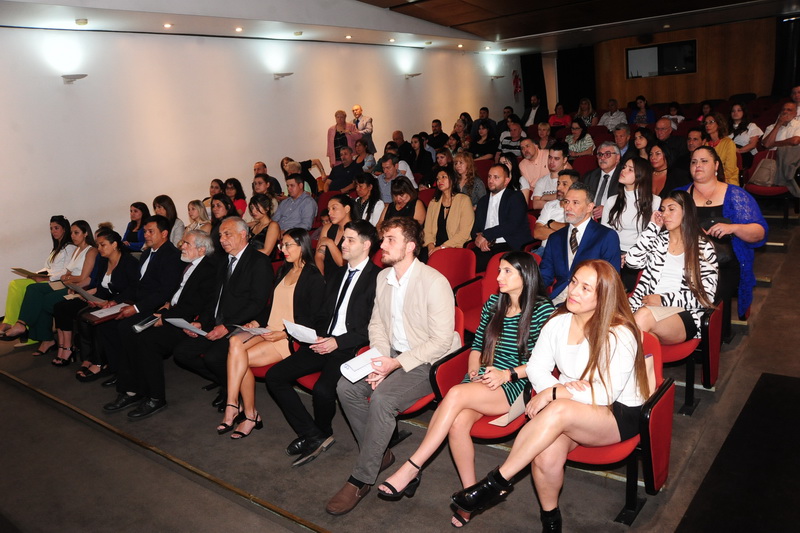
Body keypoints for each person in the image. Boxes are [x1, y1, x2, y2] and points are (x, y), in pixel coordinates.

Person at [451, 260, 652, 533]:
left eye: (585, 288)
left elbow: (605, 392)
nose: (574, 291)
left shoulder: (620, 332)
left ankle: (495, 483)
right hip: (572, 406)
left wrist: (554, 392)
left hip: (617, 413)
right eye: (573, 282)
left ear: (603, 296)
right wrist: (557, 391)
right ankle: (551, 519)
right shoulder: (559, 321)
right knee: (545, 456)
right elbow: (535, 367)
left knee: (557, 410)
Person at [378, 252, 555, 528]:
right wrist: (474, 371)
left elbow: (543, 361)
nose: (498, 278)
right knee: (458, 422)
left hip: (517, 382)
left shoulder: (542, 309)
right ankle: (470, 496)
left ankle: (412, 467)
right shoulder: (494, 303)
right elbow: (476, 347)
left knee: (455, 394)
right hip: (484, 377)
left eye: (507, 271)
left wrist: (506, 374)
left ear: (526, 275)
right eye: (499, 271)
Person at [326, 217, 461, 516]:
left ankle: (361, 478)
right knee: (345, 387)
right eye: (383, 238)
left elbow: (440, 342)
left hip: (427, 361)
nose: (382, 246)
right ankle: (381, 454)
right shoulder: (382, 278)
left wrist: (393, 365)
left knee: (384, 400)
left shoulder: (435, 282)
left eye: (390, 240)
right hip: (392, 355)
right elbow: (377, 325)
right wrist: (379, 359)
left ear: (410, 247)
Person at [267, 221, 380, 467]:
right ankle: (314, 433)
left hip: (348, 347)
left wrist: (336, 343)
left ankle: (321, 430)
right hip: (322, 341)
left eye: (350, 240)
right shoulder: (338, 273)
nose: (342, 244)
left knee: (322, 390)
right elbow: (324, 312)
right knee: (275, 376)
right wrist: (314, 335)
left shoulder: (378, 278)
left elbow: (372, 329)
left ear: (366, 245)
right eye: (344, 239)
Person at [216, 228, 325, 439]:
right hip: (268, 329)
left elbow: (314, 320)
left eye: (287, 245)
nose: (282, 249)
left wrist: (285, 334)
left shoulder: (313, 277)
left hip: (287, 338)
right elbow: (274, 305)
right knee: (234, 344)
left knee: (240, 359)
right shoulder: (284, 270)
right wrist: (256, 321)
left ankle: (246, 413)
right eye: (281, 245)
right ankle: (237, 406)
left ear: (302, 246)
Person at [101, 230, 218, 419]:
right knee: (130, 332)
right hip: (173, 312)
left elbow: (197, 304)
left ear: (202, 249)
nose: (182, 246)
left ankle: (155, 397)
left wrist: (166, 316)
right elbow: (179, 292)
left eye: (187, 243)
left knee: (147, 341)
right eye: (183, 242)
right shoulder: (188, 264)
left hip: (188, 322)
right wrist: (168, 304)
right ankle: (131, 390)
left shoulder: (208, 270)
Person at [172, 217, 274, 410]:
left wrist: (227, 327)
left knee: (213, 357)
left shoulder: (258, 261)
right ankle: (226, 381)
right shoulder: (222, 261)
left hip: (239, 325)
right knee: (182, 353)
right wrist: (202, 322)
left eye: (228, 234)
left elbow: (257, 303)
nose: (222, 239)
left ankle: (230, 389)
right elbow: (213, 298)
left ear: (243, 234)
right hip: (216, 321)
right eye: (220, 235)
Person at [677, 146, 767, 322]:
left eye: (704, 161)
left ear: (716, 165)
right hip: (685, 261)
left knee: (709, 293)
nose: (698, 165)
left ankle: (711, 337)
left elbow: (759, 233)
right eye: (694, 162)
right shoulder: (679, 195)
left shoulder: (735, 195)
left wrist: (734, 228)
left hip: (722, 264)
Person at [93, 215, 184, 388]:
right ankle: (119, 370)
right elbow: (136, 286)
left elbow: (164, 292)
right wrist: (116, 301)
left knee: (125, 328)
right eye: (145, 231)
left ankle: (131, 379)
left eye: (151, 232)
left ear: (164, 233)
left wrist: (135, 308)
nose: (146, 235)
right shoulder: (147, 252)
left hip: (157, 308)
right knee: (105, 325)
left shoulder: (171, 255)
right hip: (140, 303)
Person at [627, 190, 718, 345]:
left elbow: (706, 297)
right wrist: (652, 228)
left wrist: (663, 300)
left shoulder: (702, 247)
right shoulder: (658, 241)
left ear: (686, 212)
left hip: (684, 313)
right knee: (611, 318)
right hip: (646, 306)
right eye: (662, 209)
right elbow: (632, 261)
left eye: (671, 209)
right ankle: (645, 368)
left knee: (643, 317)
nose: (665, 214)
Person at [5, 220, 98, 359]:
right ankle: (25, 327)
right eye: (72, 232)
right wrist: (67, 278)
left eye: (76, 232)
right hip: (67, 283)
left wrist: (68, 279)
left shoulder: (91, 250)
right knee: (33, 289)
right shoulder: (77, 249)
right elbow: (68, 272)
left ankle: (41, 336)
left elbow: (83, 276)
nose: (72, 235)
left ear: (85, 233)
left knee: (45, 300)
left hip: (77, 286)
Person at [62, 230, 139, 381]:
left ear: (115, 245)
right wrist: (94, 299)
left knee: (101, 324)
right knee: (83, 317)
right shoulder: (104, 262)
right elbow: (103, 287)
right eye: (98, 245)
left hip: (124, 302)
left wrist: (114, 302)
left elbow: (134, 289)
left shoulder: (129, 262)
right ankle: (91, 359)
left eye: (103, 245)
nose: (100, 249)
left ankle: (102, 362)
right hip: (107, 301)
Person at [539, 182, 621, 304]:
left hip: (590, 302)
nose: (568, 207)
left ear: (590, 207)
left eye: (575, 203)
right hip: (558, 300)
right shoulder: (555, 238)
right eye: (566, 202)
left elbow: (610, 280)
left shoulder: (606, 236)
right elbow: (544, 276)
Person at [1, 215, 73, 340]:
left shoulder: (70, 247)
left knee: (20, 286)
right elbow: (47, 268)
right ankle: (10, 322)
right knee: (14, 284)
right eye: (51, 228)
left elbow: (66, 271)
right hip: (48, 278)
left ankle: (15, 324)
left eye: (56, 228)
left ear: (65, 229)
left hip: (57, 282)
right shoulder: (56, 248)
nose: (53, 231)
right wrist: (35, 274)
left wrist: (46, 279)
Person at [601, 157, 661, 291]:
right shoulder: (612, 201)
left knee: (628, 283)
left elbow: (653, 236)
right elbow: (604, 235)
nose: (623, 171)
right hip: (614, 254)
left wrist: (631, 255)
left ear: (641, 175)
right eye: (624, 167)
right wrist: (615, 255)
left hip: (640, 255)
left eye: (630, 169)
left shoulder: (655, 202)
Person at [471, 164, 530, 272]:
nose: (491, 180)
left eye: (496, 177)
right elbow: (475, 228)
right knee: (465, 263)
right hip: (486, 246)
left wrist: (486, 235)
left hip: (509, 244)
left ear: (506, 181)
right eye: (489, 176)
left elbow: (511, 226)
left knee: (486, 265)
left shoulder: (515, 197)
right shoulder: (483, 201)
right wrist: (479, 239)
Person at [421, 167, 475, 260]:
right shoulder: (434, 202)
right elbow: (427, 230)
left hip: (454, 247)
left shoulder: (464, 200)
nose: (439, 181)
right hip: (434, 247)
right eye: (437, 178)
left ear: (452, 179)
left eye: (443, 177)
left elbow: (464, 233)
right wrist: (431, 246)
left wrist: (442, 247)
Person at [533, 170, 579, 253]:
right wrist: (564, 230)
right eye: (558, 183)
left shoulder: (581, 208)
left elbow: (576, 234)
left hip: (565, 252)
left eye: (564, 184)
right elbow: (537, 233)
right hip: (544, 250)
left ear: (575, 187)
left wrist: (550, 224)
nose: (558, 188)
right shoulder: (549, 205)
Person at [316, 194, 357, 280]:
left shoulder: (355, 231)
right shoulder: (327, 228)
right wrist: (321, 276)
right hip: (326, 276)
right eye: (329, 209)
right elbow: (319, 256)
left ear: (347, 209)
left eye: (334, 208)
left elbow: (343, 263)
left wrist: (330, 243)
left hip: (344, 277)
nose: (330, 213)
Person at [582, 142, 622, 218]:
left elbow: (627, 203)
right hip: (590, 218)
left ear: (617, 158)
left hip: (614, 218)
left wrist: (607, 210)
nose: (602, 158)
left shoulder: (623, 177)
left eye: (607, 154)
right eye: (600, 154)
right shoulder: (589, 176)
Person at [703, 113, 739, 185]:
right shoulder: (705, 144)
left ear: (719, 124)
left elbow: (730, 170)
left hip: (727, 181)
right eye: (705, 123)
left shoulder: (729, 143)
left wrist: (713, 179)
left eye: (711, 122)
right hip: (709, 181)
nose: (707, 125)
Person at [532, 142, 569, 210]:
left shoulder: (570, 180)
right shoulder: (541, 181)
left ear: (564, 160)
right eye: (550, 157)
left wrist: (544, 197)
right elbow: (536, 205)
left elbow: (567, 201)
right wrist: (557, 199)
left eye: (556, 158)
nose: (551, 161)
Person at [728, 103, 763, 169]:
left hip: (745, 155)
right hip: (730, 156)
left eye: (739, 110)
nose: (735, 112)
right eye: (733, 111)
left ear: (744, 112)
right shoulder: (726, 128)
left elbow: (753, 145)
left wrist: (738, 151)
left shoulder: (751, 126)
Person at [209, 193, 239, 258]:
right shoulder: (217, 224)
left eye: (218, 206)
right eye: (213, 206)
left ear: (228, 206)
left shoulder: (233, 224)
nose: (214, 209)